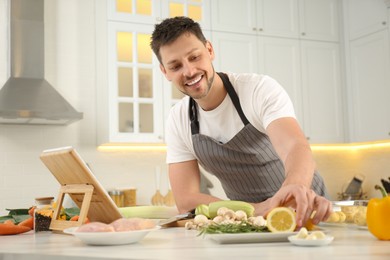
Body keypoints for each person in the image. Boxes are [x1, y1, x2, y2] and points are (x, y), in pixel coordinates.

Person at [150, 16, 332, 227]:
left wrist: (294, 187)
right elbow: (186, 200)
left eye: (194, 57)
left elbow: (295, 147)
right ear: (165, 72)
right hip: (248, 222)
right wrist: (259, 209)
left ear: (210, 50)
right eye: (175, 66)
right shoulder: (178, 120)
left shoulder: (257, 90)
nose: (189, 71)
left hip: (308, 212)